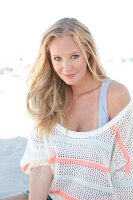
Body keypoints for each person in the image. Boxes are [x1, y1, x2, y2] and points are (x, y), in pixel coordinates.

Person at [3, 17, 133, 200]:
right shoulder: (48, 97)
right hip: (52, 194)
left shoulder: (114, 95)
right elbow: (41, 166)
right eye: (57, 59)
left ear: (88, 53)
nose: (66, 68)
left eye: (74, 56)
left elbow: (127, 166)